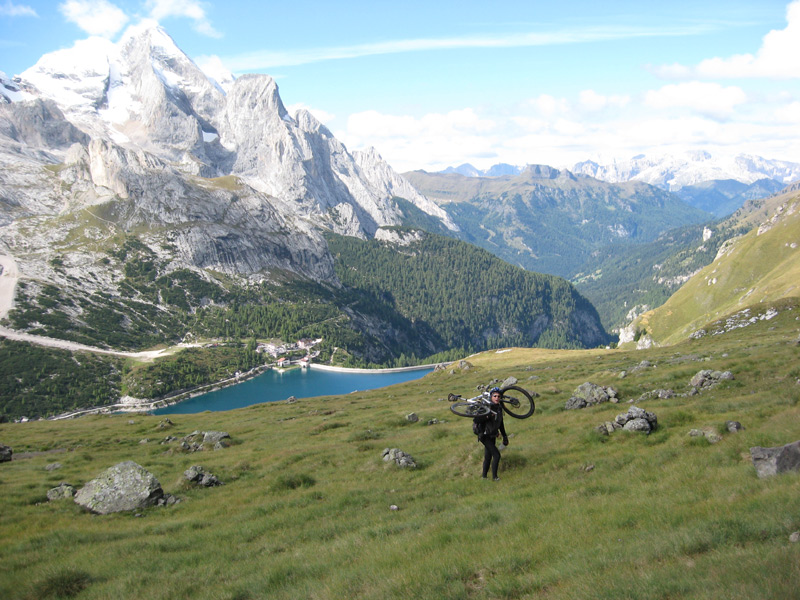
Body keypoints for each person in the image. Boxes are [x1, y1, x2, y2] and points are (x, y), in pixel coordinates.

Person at [475, 387, 509, 481]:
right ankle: (495, 477)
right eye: (495, 396)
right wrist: (488, 416)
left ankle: (484, 477)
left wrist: (504, 436)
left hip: (493, 435)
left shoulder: (498, 408)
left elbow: (501, 424)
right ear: (491, 397)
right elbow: (476, 419)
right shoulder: (486, 407)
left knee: (488, 456)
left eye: (498, 396)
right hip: (484, 435)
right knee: (497, 455)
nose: (497, 398)